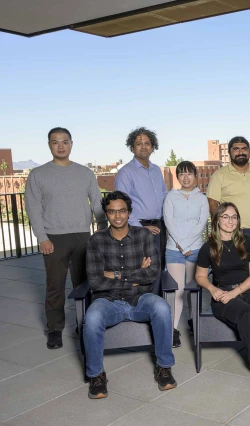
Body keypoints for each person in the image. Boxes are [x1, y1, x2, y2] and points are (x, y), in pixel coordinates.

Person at [83, 191, 177, 399]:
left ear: (129, 212)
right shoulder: (96, 240)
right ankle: (96, 375)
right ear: (106, 214)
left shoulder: (144, 235)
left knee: (162, 308)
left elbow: (152, 273)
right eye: (112, 212)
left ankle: (164, 367)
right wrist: (135, 274)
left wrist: (114, 274)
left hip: (140, 298)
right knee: (91, 319)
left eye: (122, 211)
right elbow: (96, 280)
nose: (118, 216)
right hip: (108, 301)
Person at [25, 127, 107, 350]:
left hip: (82, 235)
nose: (60, 146)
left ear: (72, 144)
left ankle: (86, 325)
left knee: (85, 283)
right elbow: (33, 208)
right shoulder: (38, 174)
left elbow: (97, 202)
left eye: (65, 141)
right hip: (53, 237)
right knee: (55, 286)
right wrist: (42, 237)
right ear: (49, 145)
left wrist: (102, 228)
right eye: (55, 142)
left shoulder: (85, 173)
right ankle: (55, 329)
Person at [195, 202, 250, 392]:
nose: (230, 221)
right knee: (248, 315)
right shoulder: (208, 247)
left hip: (246, 291)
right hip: (222, 297)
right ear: (217, 220)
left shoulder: (246, 242)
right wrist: (212, 290)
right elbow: (200, 276)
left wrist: (236, 292)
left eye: (234, 217)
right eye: (225, 217)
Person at [207, 136, 250, 298]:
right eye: (236, 149)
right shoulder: (220, 175)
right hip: (233, 232)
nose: (240, 152)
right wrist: (223, 229)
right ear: (229, 152)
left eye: (244, 148)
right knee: (237, 273)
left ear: (249, 151)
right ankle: (234, 303)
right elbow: (212, 203)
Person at [163, 161, 209, 347]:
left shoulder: (201, 198)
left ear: (195, 176)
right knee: (178, 291)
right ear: (178, 177)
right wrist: (182, 245)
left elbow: (201, 223)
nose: (186, 177)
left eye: (189, 173)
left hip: (195, 249)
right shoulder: (171, 197)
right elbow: (169, 221)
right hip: (174, 250)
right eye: (181, 174)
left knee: (192, 290)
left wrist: (188, 244)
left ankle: (193, 322)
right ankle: (173, 330)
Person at [115, 127, 168, 270]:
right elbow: (120, 206)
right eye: (139, 144)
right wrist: (140, 228)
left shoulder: (156, 170)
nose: (143, 146)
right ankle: (145, 294)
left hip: (159, 226)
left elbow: (164, 195)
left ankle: (156, 294)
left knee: (160, 266)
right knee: (143, 269)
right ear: (132, 148)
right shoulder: (125, 173)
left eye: (147, 143)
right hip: (139, 228)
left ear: (153, 147)